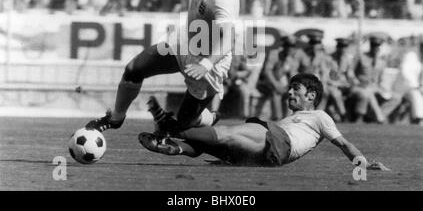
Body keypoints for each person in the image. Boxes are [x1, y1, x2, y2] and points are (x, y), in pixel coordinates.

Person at [85, 0, 255, 136]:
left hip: (209, 62)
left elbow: (228, 40)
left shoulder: (223, 0)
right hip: (185, 42)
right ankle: (115, 118)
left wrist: (206, 64)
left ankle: (209, 117)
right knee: (134, 69)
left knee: (184, 122)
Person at [139, 73, 389, 170]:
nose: (289, 93)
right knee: (214, 143)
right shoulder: (291, 119)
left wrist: (362, 165)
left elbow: (343, 143)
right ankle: (173, 146)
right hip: (267, 158)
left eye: (295, 89)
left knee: (225, 132)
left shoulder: (319, 116)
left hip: (278, 141)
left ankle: (169, 127)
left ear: (311, 95)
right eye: (290, 89)